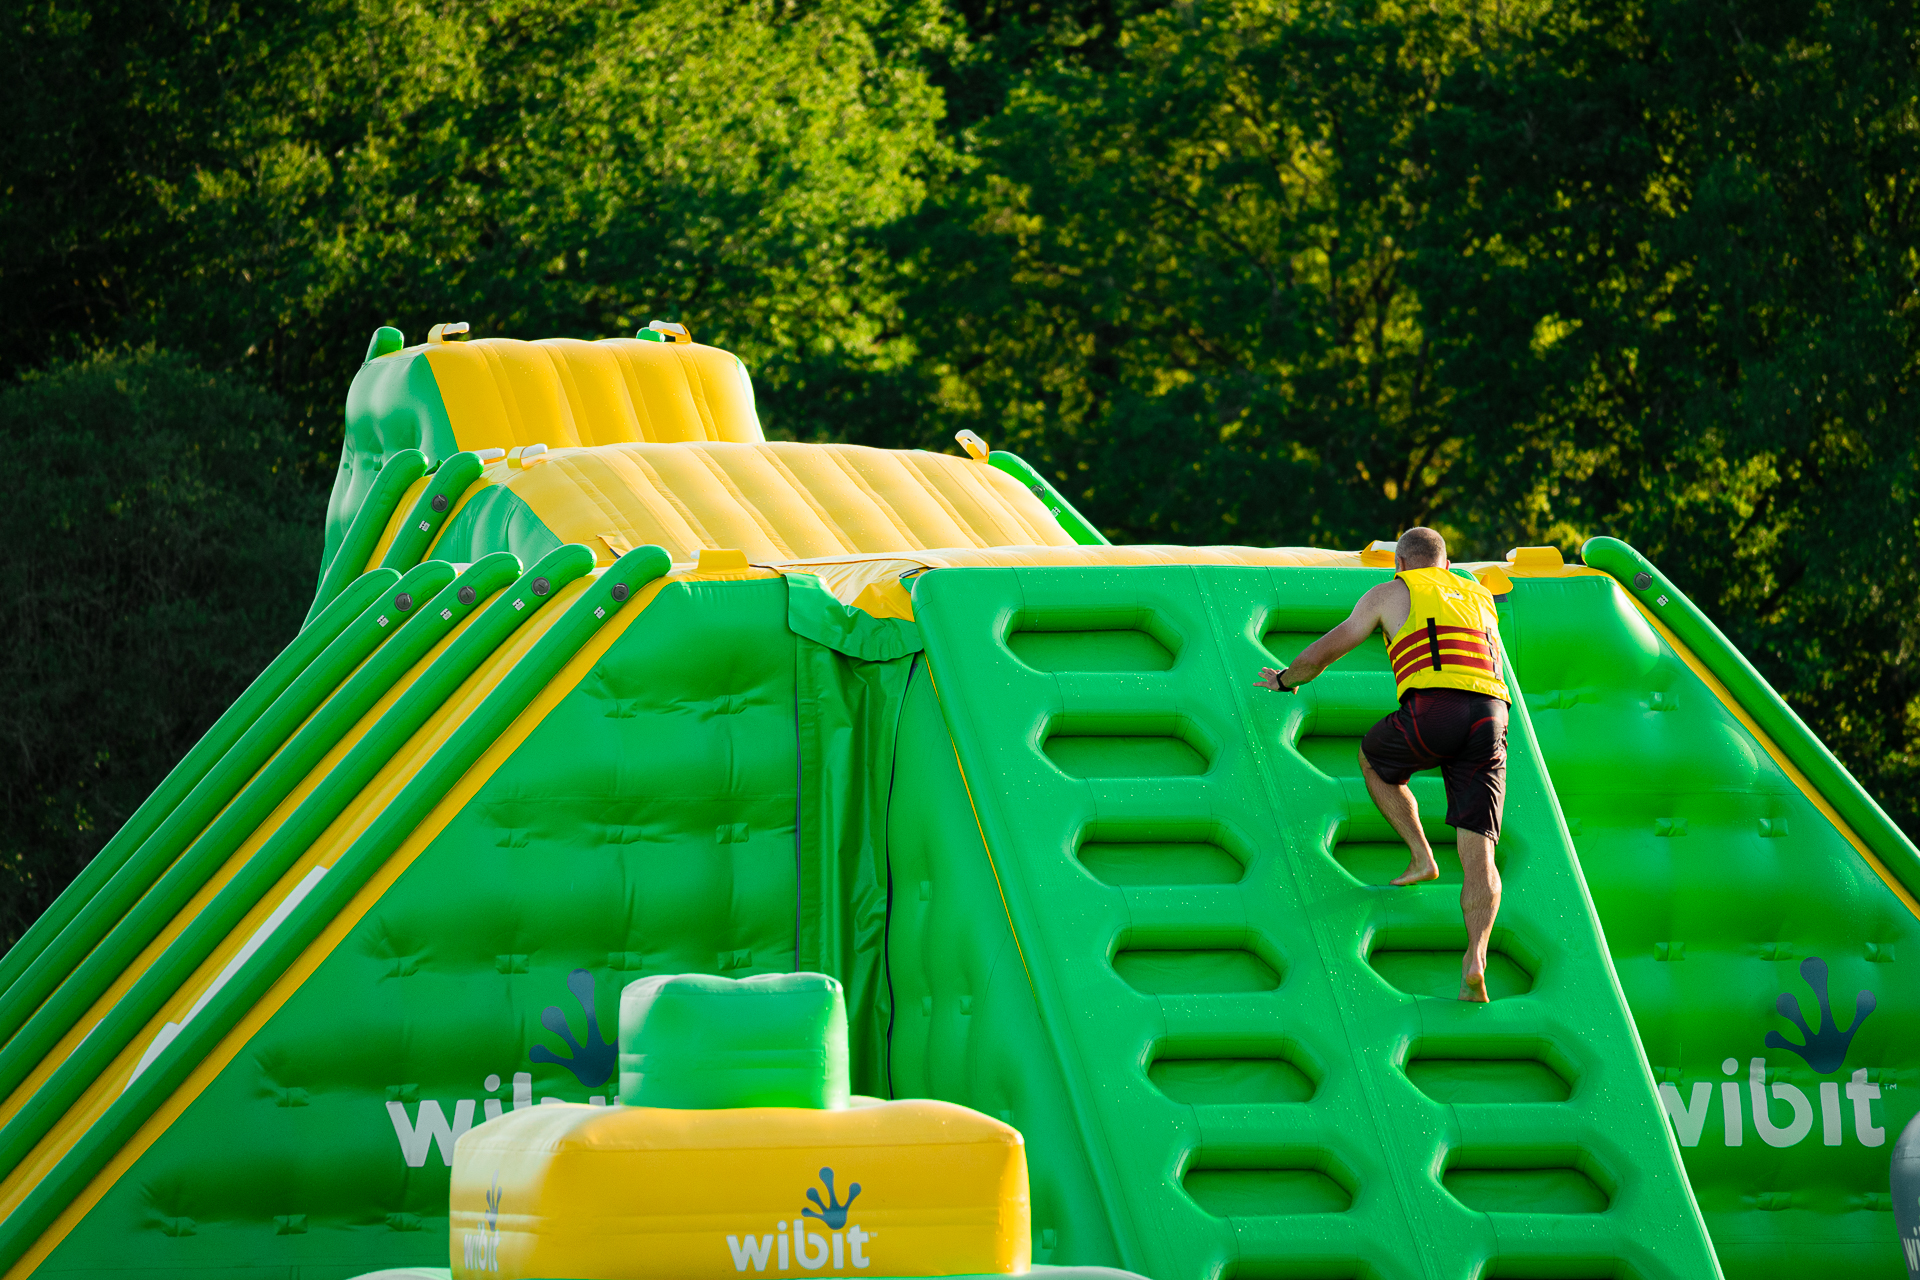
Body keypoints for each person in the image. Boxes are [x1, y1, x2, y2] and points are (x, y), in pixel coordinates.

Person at [1254, 527, 1510, 1002]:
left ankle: (1421, 855)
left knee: (1374, 760)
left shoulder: (1391, 592)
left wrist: (1286, 680)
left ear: (1400, 565)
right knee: (1481, 857)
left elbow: (1326, 651)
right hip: (1492, 717)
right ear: (1447, 566)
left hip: (1437, 708)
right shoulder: (1479, 595)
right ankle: (1475, 958)